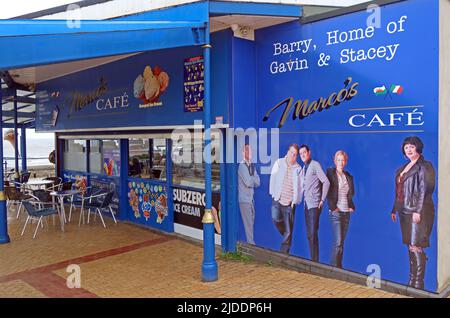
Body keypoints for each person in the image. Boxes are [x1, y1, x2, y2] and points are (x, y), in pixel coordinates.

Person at [391, 136, 435, 290]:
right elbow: (399, 191)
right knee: (410, 245)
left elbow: (425, 189)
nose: (408, 150)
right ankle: (412, 280)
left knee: (416, 246)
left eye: (411, 146)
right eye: (406, 147)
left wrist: (418, 210)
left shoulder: (424, 166)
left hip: (418, 211)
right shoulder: (404, 167)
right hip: (404, 211)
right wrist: (394, 208)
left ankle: (418, 283)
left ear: (418, 148)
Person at [269, 144, 302, 254]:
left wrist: (294, 201)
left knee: (288, 230)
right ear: (287, 152)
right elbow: (272, 178)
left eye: (295, 154)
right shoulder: (279, 162)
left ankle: (283, 253)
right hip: (278, 199)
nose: (292, 156)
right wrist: (273, 193)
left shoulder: (298, 168)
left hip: (289, 203)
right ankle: (287, 237)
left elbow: (301, 187)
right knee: (275, 219)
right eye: (291, 152)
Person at [299, 145, 330, 262]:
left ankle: (315, 261)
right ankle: (314, 260)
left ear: (309, 152)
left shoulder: (315, 165)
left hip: (314, 204)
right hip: (306, 205)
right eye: (300, 154)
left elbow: (326, 182)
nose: (302, 155)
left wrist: (322, 199)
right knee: (309, 234)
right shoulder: (304, 168)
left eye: (304, 152)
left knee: (312, 233)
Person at [326, 150, 355, 268]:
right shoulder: (331, 173)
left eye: (343, 160)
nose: (341, 162)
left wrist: (351, 206)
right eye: (338, 159)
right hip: (336, 212)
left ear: (345, 161)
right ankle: (333, 268)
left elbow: (350, 194)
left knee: (341, 243)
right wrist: (333, 207)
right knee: (338, 242)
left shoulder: (348, 176)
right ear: (335, 161)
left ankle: (338, 267)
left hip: (346, 212)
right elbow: (327, 191)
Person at [238, 143, 260, 244]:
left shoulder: (251, 166)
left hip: (251, 200)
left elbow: (258, 182)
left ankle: (251, 245)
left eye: (250, 150)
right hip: (244, 200)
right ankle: (251, 247)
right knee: (249, 225)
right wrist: (253, 180)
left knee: (251, 224)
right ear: (243, 152)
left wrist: (252, 180)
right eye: (246, 150)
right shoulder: (242, 166)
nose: (249, 152)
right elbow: (248, 182)